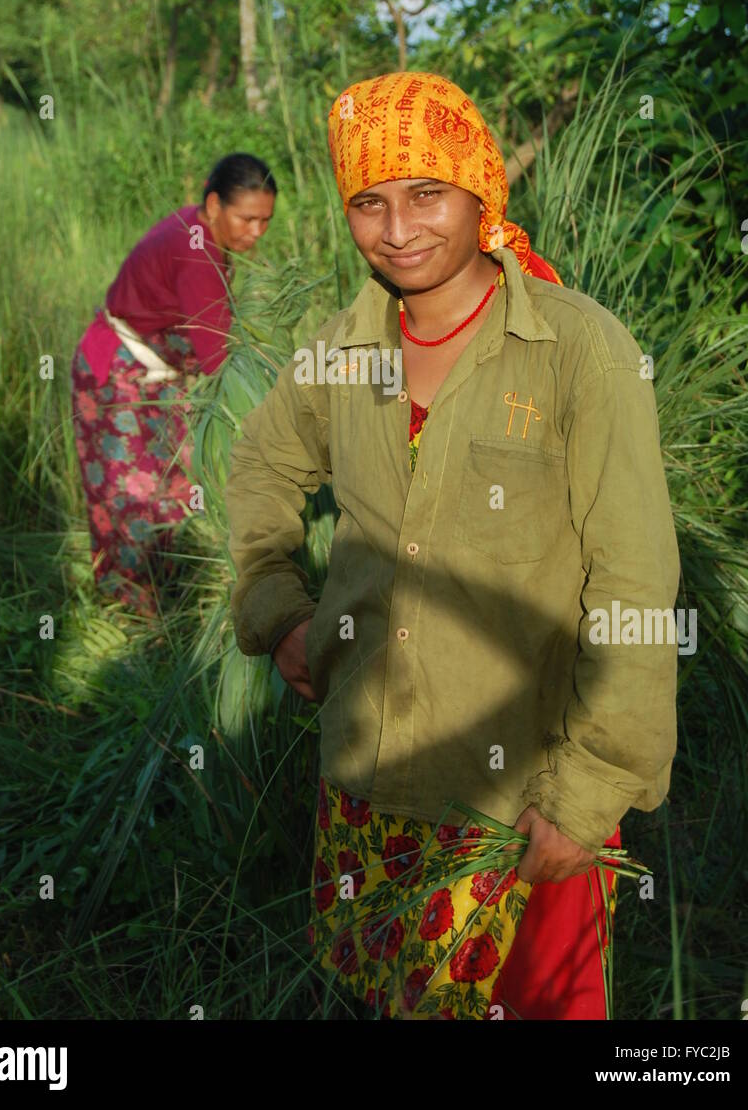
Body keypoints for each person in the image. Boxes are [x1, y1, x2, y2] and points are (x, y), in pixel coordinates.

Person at [223, 72, 680, 1020]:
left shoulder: (579, 351)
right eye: (369, 202)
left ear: (480, 190)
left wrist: (591, 792)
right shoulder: (343, 349)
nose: (399, 230)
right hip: (367, 779)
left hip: (521, 803)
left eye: (427, 194)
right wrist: (276, 609)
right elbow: (261, 463)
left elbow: (634, 580)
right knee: (377, 998)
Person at [71, 153, 276, 617]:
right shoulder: (196, 252)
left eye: (266, 221)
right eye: (247, 219)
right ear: (213, 204)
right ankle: (129, 607)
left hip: (158, 374)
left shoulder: (199, 228)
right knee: (131, 493)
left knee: (177, 481)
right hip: (117, 376)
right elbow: (218, 358)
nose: (257, 232)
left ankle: (161, 588)